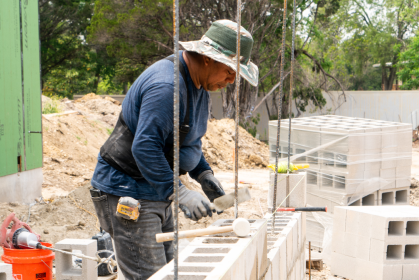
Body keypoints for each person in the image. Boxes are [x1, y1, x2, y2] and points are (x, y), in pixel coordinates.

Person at [90, 19, 259, 279]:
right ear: (206, 58)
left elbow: (185, 138)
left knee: (170, 270)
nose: (232, 79)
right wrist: (179, 193)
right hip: (128, 189)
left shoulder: (199, 83)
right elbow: (145, 147)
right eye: (229, 69)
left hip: (155, 187)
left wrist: (203, 174)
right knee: (151, 274)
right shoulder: (167, 87)